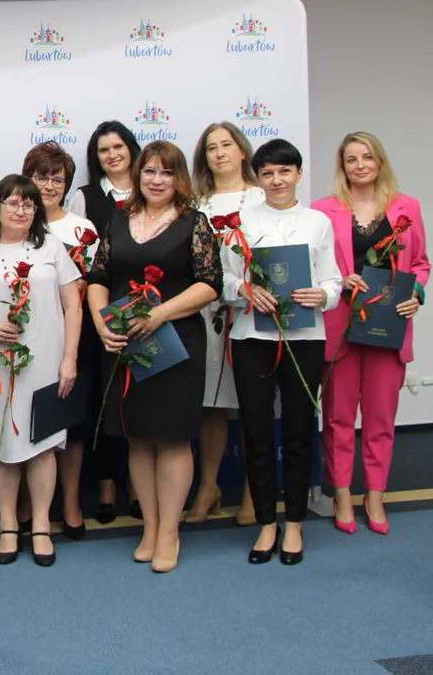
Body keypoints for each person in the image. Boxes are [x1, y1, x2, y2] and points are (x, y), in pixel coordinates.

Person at [86, 141, 222, 573]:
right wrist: (102, 325)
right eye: (149, 171)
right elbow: (98, 277)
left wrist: (159, 314)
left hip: (176, 345)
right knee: (138, 437)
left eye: (167, 173)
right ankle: (149, 527)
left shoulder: (194, 223)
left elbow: (210, 284)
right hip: (126, 345)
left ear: (179, 179)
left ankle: (169, 533)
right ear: (138, 175)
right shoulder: (118, 220)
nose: (157, 180)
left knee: (173, 438)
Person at [221, 139, 341, 565]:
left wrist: (322, 295)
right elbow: (224, 279)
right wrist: (244, 289)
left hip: (304, 338)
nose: (277, 180)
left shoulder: (318, 222)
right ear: (258, 178)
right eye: (268, 173)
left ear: (299, 174)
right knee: (255, 432)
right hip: (252, 338)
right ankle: (266, 523)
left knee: (297, 431)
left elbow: (333, 280)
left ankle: (294, 524)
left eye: (285, 171)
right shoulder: (241, 222)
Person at [0, 174, 82, 567]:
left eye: (28, 204)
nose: (21, 210)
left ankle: (40, 525)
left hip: (46, 362)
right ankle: (8, 524)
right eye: (13, 203)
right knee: (5, 447)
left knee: (43, 445)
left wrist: (70, 358)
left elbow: (73, 305)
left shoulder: (51, 246)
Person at [313, 132, 430, 535]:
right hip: (341, 327)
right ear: (342, 166)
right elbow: (317, 267)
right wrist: (338, 280)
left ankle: (375, 495)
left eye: (367, 157)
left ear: (379, 162)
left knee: (380, 418)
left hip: (388, 326)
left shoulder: (407, 207)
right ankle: (342, 493)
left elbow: (421, 264)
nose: (360, 165)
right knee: (338, 418)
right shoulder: (322, 211)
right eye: (351, 159)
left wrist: (416, 294)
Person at [23, 142, 106, 540]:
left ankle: (70, 501)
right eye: (41, 177)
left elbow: (96, 283)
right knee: (29, 418)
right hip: (28, 335)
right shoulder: (15, 224)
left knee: (72, 423)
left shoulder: (82, 229)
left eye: (58, 179)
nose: (49, 186)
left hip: (75, 334)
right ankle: (29, 503)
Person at [187, 122, 265, 526]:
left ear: (242, 151)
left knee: (254, 402)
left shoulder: (263, 196)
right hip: (206, 310)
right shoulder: (195, 202)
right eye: (211, 148)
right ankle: (209, 487)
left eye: (226, 145)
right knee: (210, 402)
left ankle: (255, 490)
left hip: (253, 307)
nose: (219, 153)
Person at [67, 120, 142, 520]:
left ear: (131, 149)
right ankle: (107, 484)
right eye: (103, 150)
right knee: (104, 398)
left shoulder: (152, 189)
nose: (112, 155)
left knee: (140, 397)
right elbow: (79, 260)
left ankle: (137, 482)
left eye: (118, 147)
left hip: (146, 309)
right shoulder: (85, 197)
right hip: (101, 311)